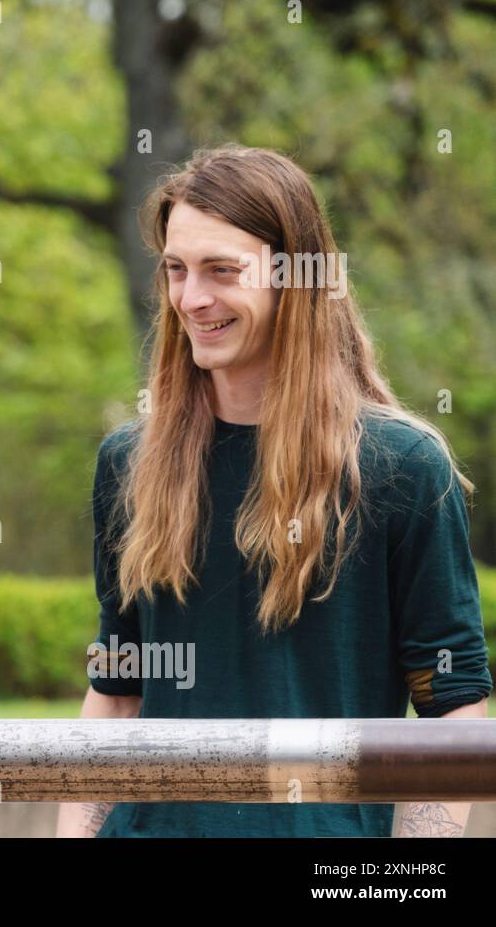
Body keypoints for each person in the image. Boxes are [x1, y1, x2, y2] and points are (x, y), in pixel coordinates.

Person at [56, 145, 491, 837]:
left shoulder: (403, 468)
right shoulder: (128, 464)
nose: (192, 298)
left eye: (221, 271)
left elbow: (453, 709)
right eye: (176, 269)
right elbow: (116, 696)